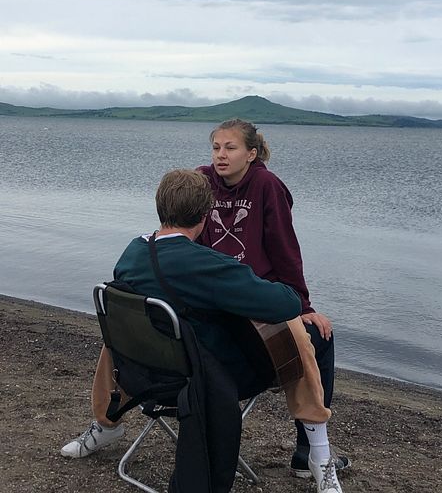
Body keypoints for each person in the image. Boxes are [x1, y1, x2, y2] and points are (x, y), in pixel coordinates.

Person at [62, 169, 344, 493]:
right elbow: (286, 303)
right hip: (198, 383)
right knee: (304, 335)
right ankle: (316, 453)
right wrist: (246, 283)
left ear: (160, 206)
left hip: (138, 375)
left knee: (127, 324)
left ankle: (106, 423)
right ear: (205, 214)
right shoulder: (205, 265)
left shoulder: (133, 252)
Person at [196, 118, 350, 478]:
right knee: (312, 343)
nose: (220, 155)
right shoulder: (202, 181)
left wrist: (302, 306)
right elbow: (191, 234)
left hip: (258, 298)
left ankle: (304, 453)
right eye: (216, 147)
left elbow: (284, 249)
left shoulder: (267, 186)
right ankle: (312, 452)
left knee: (319, 333)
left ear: (251, 154)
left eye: (230, 148)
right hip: (219, 307)